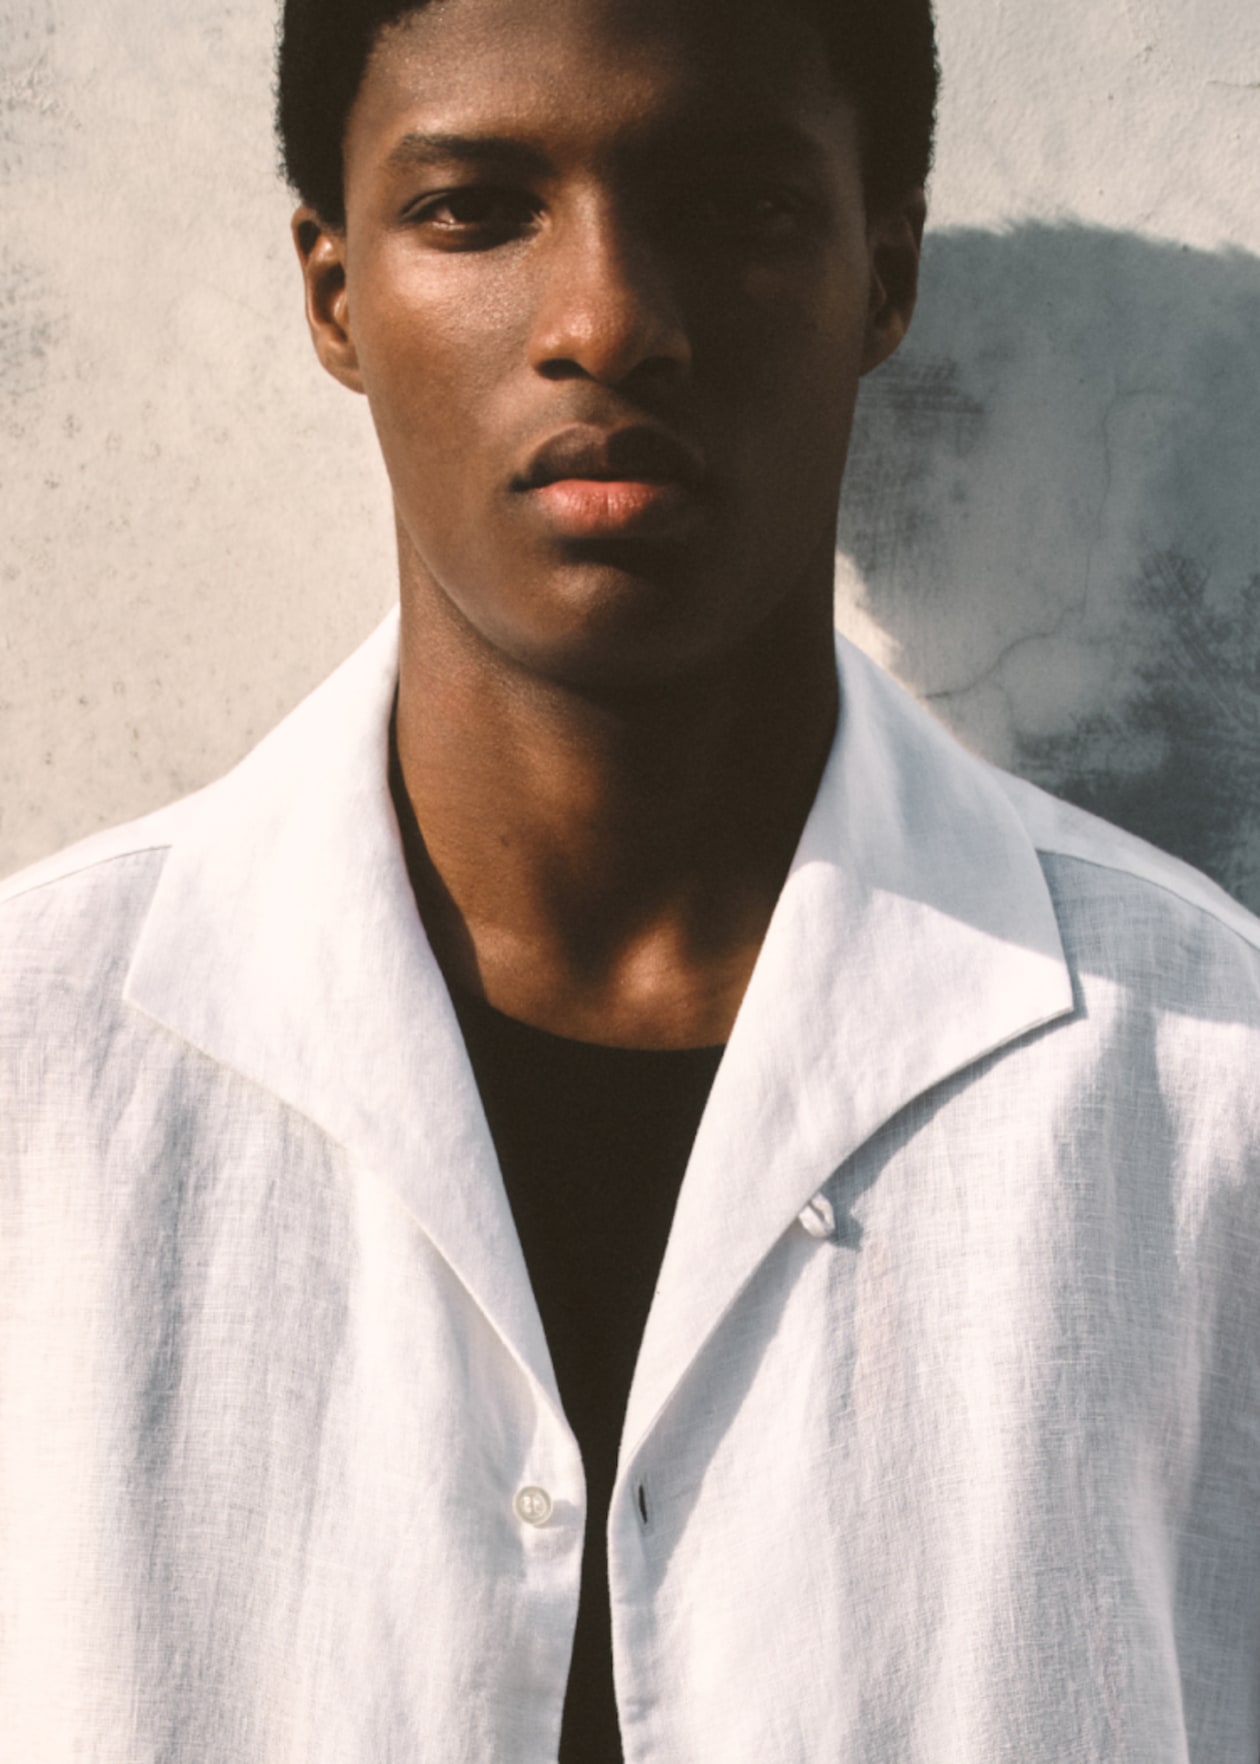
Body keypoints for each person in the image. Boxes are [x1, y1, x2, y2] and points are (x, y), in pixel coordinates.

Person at [2, 0, 1259, 1757]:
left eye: (738, 206)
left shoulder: (1204, 1086)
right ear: (335, 294)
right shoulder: (39, 1072)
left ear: (881, 277)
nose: (606, 321)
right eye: (474, 209)